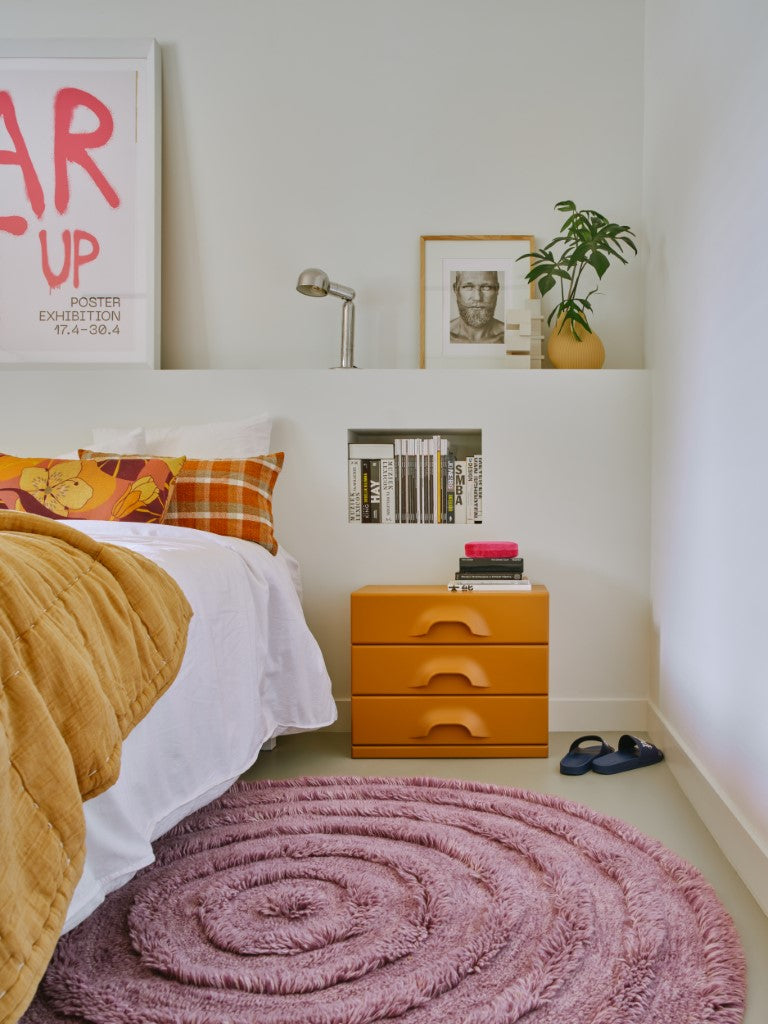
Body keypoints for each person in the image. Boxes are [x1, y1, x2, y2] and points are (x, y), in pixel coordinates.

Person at [450, 270, 505, 344]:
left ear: (497, 289)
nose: (477, 298)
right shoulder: (440, 336)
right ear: (455, 289)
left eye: (486, 287)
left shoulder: (510, 336)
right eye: (468, 287)